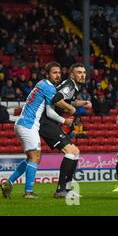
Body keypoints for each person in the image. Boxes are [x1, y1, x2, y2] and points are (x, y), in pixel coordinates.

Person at [1, 62, 74, 199]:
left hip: (23, 123)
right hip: (28, 125)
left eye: (59, 72)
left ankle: (8, 183)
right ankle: (28, 192)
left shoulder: (42, 84)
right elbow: (55, 108)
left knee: (31, 158)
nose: (57, 75)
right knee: (35, 157)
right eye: (54, 72)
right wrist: (70, 111)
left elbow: (49, 110)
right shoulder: (47, 87)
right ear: (47, 74)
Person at [39, 63, 91, 198]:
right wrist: (70, 112)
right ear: (72, 75)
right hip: (46, 123)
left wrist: (83, 103)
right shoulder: (69, 85)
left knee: (76, 152)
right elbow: (55, 99)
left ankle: (67, 189)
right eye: (79, 72)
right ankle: (60, 190)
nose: (82, 75)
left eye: (84, 72)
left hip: (52, 123)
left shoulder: (73, 87)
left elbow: (68, 101)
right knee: (70, 151)